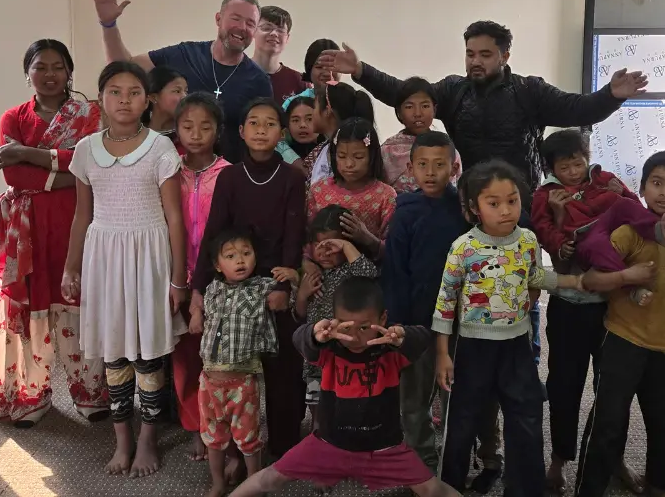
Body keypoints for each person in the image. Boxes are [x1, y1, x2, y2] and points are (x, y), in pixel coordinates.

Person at [318, 20, 648, 202]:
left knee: (521, 283)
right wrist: (361, 71)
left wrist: (610, 95)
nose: (475, 61)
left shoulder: (529, 90)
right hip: (467, 200)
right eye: (470, 53)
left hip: (519, 200)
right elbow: (407, 95)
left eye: (485, 54)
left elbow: (577, 109)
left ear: (505, 56)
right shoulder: (453, 89)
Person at [61, 61, 188, 477]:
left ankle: (148, 439)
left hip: (149, 258)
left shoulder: (161, 148)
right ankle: (122, 440)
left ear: (147, 100)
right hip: (104, 259)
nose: (124, 100)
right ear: (100, 98)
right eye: (114, 91)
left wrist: (179, 279)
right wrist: (71, 268)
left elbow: (174, 217)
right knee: (115, 353)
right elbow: (82, 216)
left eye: (134, 92)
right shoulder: (85, 150)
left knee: (149, 355)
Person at [228, 278, 461, 497]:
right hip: (328, 444)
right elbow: (299, 338)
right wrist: (315, 334)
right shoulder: (329, 349)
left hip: (384, 450)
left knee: (432, 489)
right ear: (335, 321)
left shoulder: (390, 349)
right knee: (269, 479)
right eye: (346, 327)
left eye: (364, 328)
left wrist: (403, 336)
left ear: (382, 320)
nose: (355, 337)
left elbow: (422, 338)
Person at [434, 160, 585, 497]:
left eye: (512, 200)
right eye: (494, 203)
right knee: (463, 420)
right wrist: (443, 353)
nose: (505, 210)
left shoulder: (527, 240)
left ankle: (524, 488)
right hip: (473, 347)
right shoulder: (464, 248)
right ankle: (450, 486)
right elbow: (445, 301)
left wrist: (574, 281)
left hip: (516, 345)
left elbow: (534, 277)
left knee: (526, 416)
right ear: (474, 208)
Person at [527, 129, 661, 492]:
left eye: (578, 163)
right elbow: (552, 247)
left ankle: (613, 459)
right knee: (563, 386)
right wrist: (558, 217)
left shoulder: (604, 180)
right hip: (569, 304)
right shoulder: (545, 195)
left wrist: (623, 193)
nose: (573, 171)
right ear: (551, 168)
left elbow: (632, 212)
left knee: (614, 391)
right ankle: (558, 459)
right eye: (564, 166)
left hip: (613, 306)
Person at [575, 151, 665, 497]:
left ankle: (659, 486)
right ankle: (588, 490)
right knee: (608, 422)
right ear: (642, 188)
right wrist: (627, 276)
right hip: (623, 340)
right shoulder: (628, 233)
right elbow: (591, 279)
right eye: (657, 183)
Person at [0, 39, 108, 427]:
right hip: (28, 231)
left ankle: (90, 393)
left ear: (69, 72)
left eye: (58, 66)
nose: (50, 74)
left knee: (80, 302)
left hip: (78, 220)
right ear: (28, 74)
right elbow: (14, 176)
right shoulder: (13, 118)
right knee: (32, 309)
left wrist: (28, 153)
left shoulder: (89, 114)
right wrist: (66, 170)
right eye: (41, 67)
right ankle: (31, 395)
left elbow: (91, 163)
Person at [190, 97, 307, 459]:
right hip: (233, 284)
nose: (261, 130)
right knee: (235, 370)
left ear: (281, 133)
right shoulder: (229, 177)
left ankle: (284, 448)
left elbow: (294, 235)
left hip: (275, 281)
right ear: (241, 131)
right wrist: (198, 289)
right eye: (253, 123)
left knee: (283, 369)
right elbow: (214, 234)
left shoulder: (291, 178)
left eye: (270, 124)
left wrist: (284, 287)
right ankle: (238, 451)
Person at [88, 0, 272, 163]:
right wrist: (108, 25)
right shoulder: (184, 54)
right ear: (218, 19)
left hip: (228, 174)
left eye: (250, 23)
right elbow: (124, 70)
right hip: (170, 168)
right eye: (236, 18)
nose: (242, 27)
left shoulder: (259, 81)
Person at [382, 131, 468, 473]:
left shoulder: (465, 210)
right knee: (413, 399)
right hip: (416, 322)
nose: (430, 172)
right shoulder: (405, 212)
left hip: (461, 323)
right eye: (422, 165)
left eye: (439, 164)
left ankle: (453, 464)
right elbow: (395, 270)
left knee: (456, 395)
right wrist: (397, 321)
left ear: (454, 168)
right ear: (410, 168)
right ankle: (421, 466)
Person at [189, 229, 282, 497]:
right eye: (230, 256)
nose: (240, 260)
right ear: (218, 265)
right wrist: (196, 314)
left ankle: (254, 484)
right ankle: (218, 483)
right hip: (209, 382)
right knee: (213, 438)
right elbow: (200, 308)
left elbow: (288, 291)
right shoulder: (212, 289)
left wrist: (293, 276)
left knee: (250, 438)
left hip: (244, 381)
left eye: (246, 253)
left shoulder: (262, 287)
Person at [172, 92, 233, 461]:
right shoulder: (168, 171)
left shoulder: (228, 174)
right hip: (177, 275)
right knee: (185, 356)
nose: (195, 134)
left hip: (217, 280)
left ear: (218, 131)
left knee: (219, 358)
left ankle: (222, 426)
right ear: (176, 129)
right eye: (187, 126)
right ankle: (196, 426)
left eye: (205, 127)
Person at [284, 205, 379, 417]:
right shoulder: (311, 274)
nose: (324, 252)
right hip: (316, 357)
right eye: (318, 244)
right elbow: (298, 315)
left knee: (345, 406)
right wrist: (302, 295)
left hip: (346, 354)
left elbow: (369, 274)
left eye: (331, 245)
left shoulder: (350, 272)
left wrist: (345, 245)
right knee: (316, 406)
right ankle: (318, 432)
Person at [306, 117, 397, 259]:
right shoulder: (318, 190)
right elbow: (307, 237)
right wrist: (308, 261)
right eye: (342, 156)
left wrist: (367, 238)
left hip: (367, 270)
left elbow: (393, 249)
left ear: (372, 157)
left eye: (358, 157)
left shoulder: (385, 195)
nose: (349, 164)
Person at [380, 77, 461, 194]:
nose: (418, 113)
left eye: (425, 106)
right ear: (399, 112)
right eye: (409, 107)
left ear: (434, 109)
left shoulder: (446, 148)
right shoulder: (386, 151)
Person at [304, 82, 374, 186]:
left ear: (327, 111)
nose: (311, 113)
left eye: (314, 107)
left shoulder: (349, 152)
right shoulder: (323, 149)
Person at [250, 5, 306, 101]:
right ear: (253, 31)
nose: (274, 34)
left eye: (280, 30)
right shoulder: (236, 73)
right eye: (267, 28)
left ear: (287, 38)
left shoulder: (298, 81)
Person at [142, 66, 188, 152]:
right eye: (177, 91)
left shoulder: (189, 137)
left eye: (186, 91)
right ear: (153, 97)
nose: (185, 97)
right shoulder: (134, 134)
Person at [274, 94, 321, 166]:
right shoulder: (277, 153)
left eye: (309, 119)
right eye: (295, 120)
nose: (302, 125)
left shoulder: (332, 149)